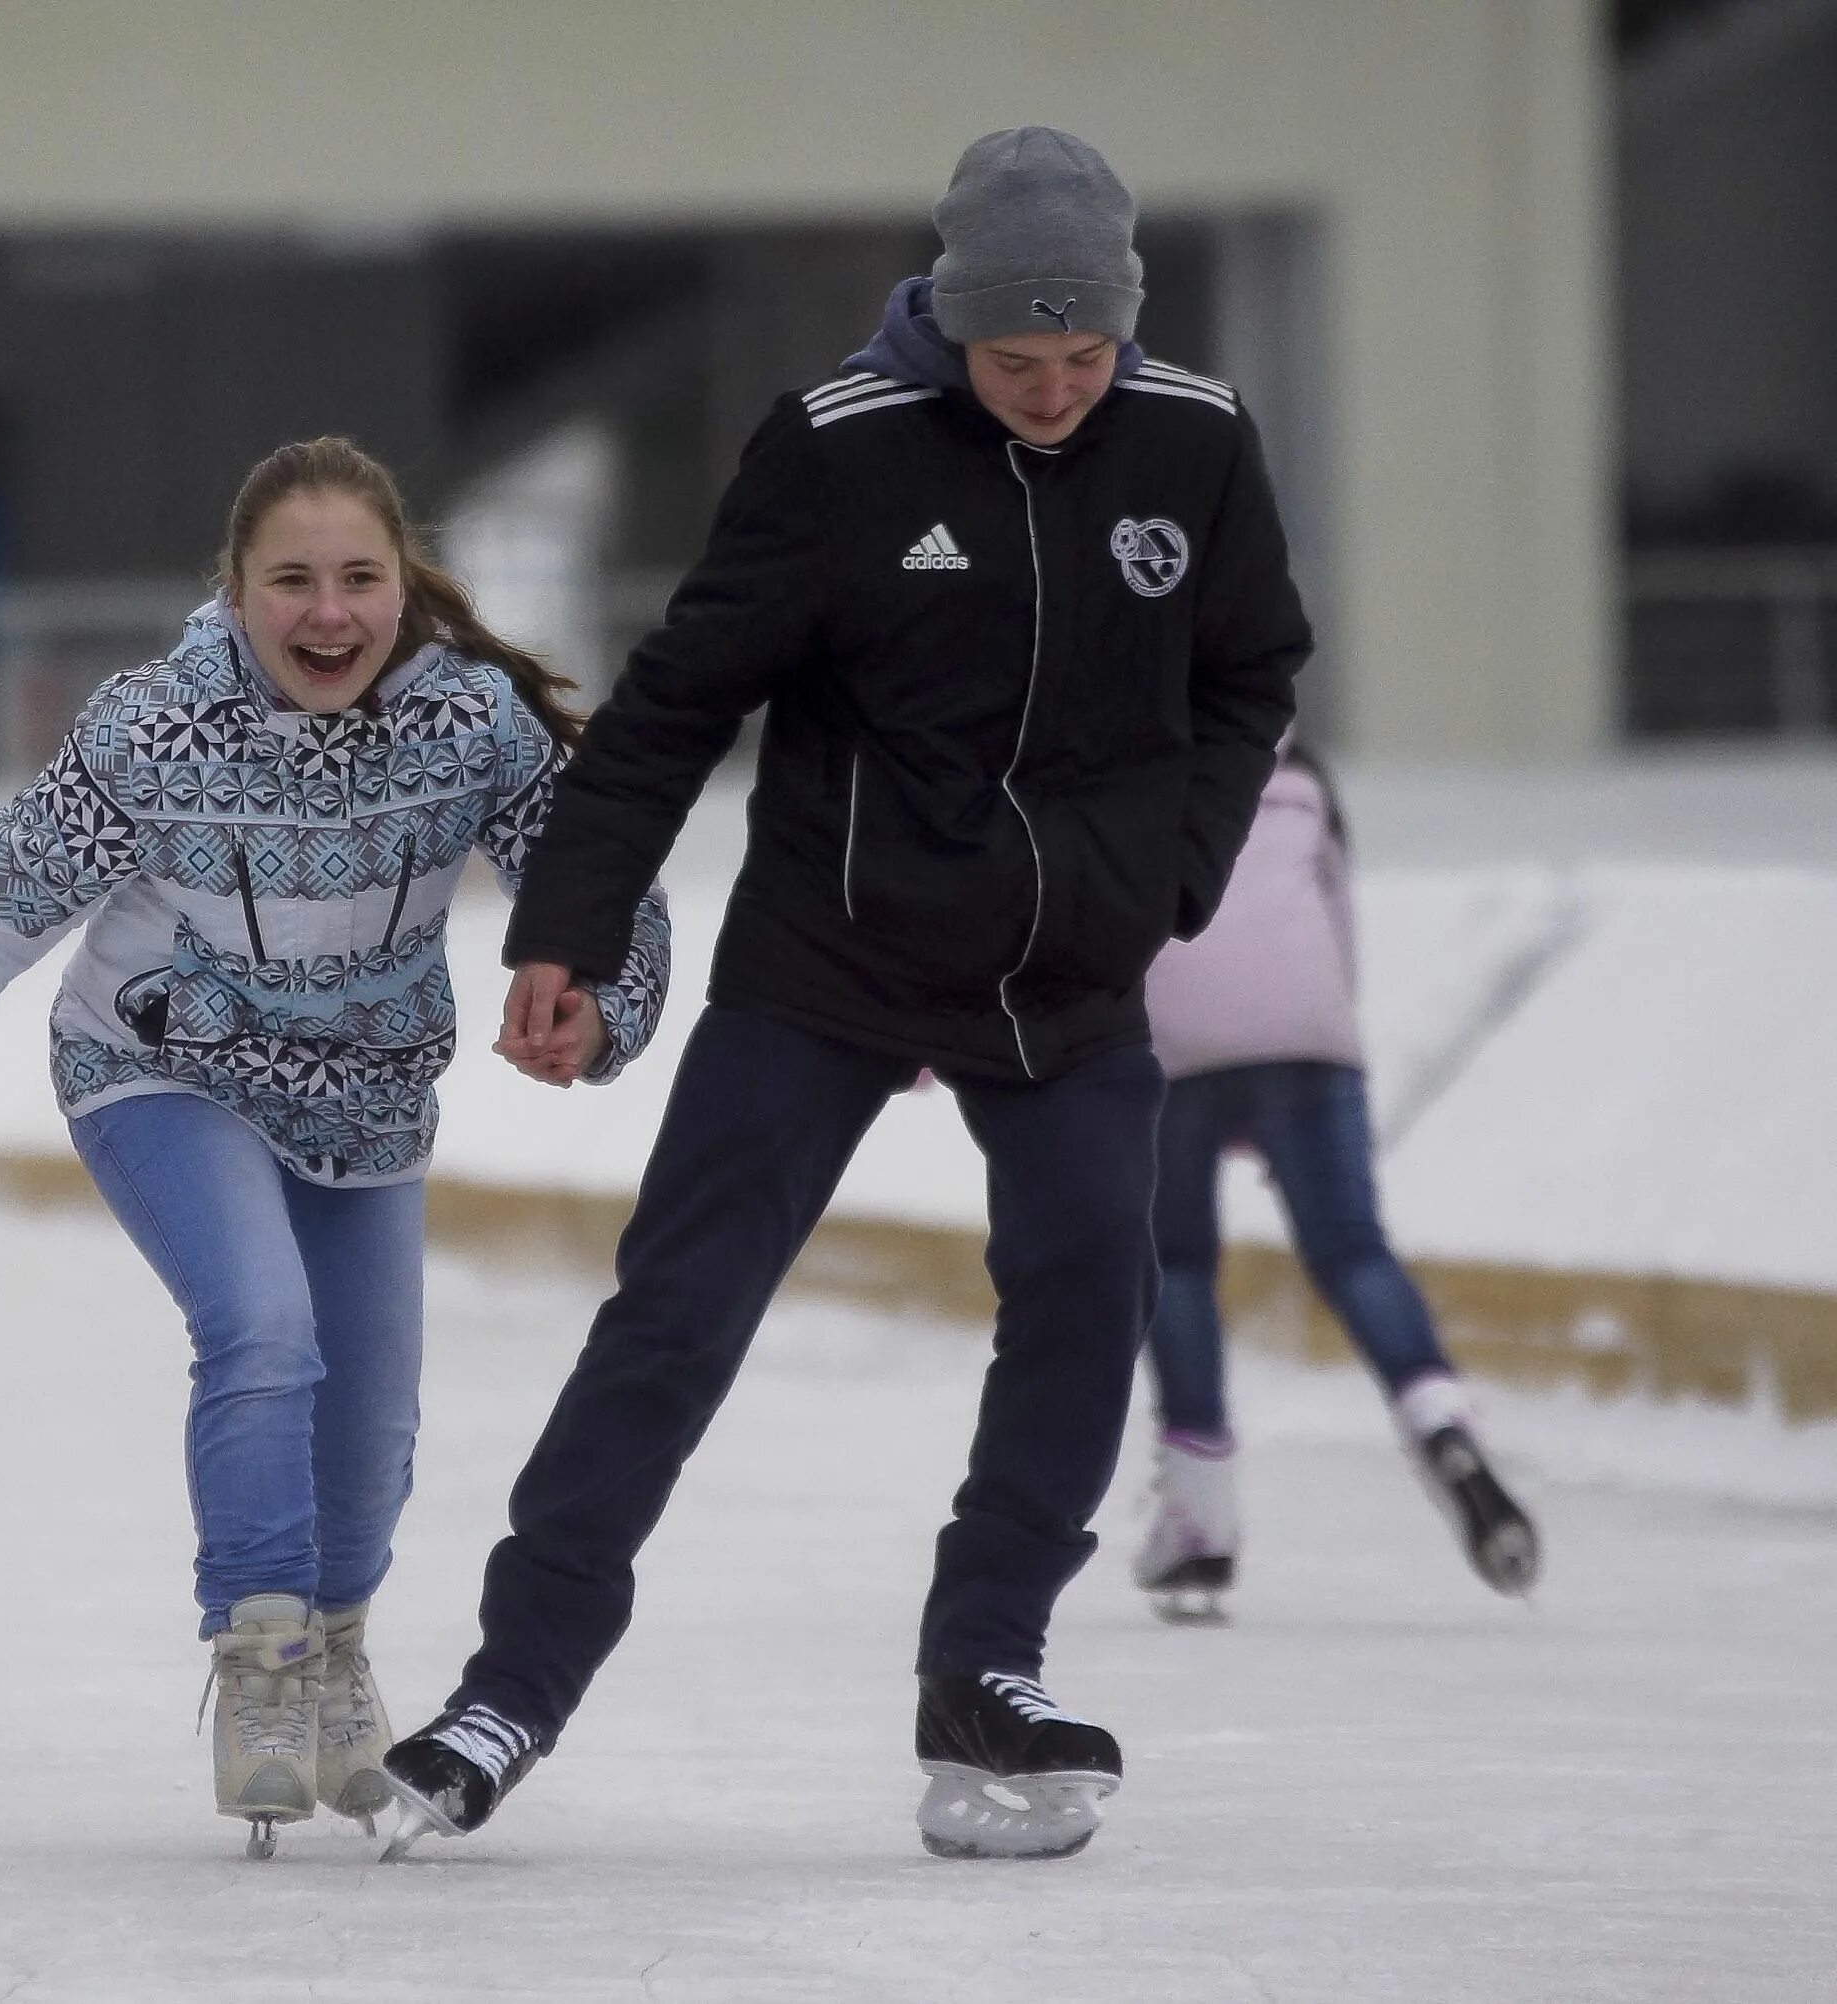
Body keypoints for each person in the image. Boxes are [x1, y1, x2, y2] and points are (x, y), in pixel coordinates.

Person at [376, 127, 1311, 1864]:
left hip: (1073, 968)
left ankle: (988, 1662)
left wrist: (1171, 867)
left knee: (1088, 1288)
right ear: (948, 325)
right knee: (680, 1307)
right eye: (1014, 359)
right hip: (837, 949)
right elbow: (671, 707)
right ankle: (515, 1680)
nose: (1051, 391)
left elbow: (1255, 663)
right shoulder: (839, 452)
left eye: (1083, 356)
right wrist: (561, 930)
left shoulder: (1195, 437)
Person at [0, 438, 671, 1858]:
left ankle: (338, 1638)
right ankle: (262, 1666)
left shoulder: (469, 725)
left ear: (401, 586)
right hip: (157, 1068)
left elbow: (604, 876)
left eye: (359, 578)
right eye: (290, 581)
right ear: (235, 594)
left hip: (365, 1105)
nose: (328, 613)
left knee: (370, 1436)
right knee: (261, 1330)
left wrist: (599, 1005)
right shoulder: (151, 727)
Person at [1131, 742, 1541, 1620]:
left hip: (1175, 1038)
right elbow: (1335, 926)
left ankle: (1200, 1519)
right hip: (1311, 1037)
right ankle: (1441, 1423)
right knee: (1353, 1250)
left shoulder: (1122, 753)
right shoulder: (1303, 779)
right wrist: (1304, 1067)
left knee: (1177, 1261)